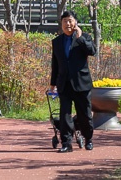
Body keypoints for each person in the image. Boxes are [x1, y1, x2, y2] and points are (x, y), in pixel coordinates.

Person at [50, 10, 96, 152]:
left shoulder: (84, 37)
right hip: (64, 83)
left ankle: (88, 139)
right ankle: (66, 143)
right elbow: (55, 64)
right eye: (64, 21)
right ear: (61, 24)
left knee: (85, 114)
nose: (67, 24)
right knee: (65, 115)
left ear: (75, 22)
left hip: (81, 83)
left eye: (70, 21)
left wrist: (80, 37)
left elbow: (92, 51)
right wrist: (52, 84)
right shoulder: (57, 42)